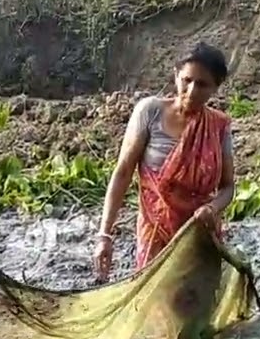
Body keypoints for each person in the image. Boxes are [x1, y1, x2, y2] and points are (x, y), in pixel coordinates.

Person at [94, 42, 235, 282]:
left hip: (199, 236)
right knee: (156, 307)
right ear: (176, 75)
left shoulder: (219, 127)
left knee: (195, 309)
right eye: (187, 80)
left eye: (202, 85)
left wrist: (212, 208)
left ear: (215, 88)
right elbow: (123, 172)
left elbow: (228, 187)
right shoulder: (150, 112)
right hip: (155, 236)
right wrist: (104, 235)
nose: (191, 91)